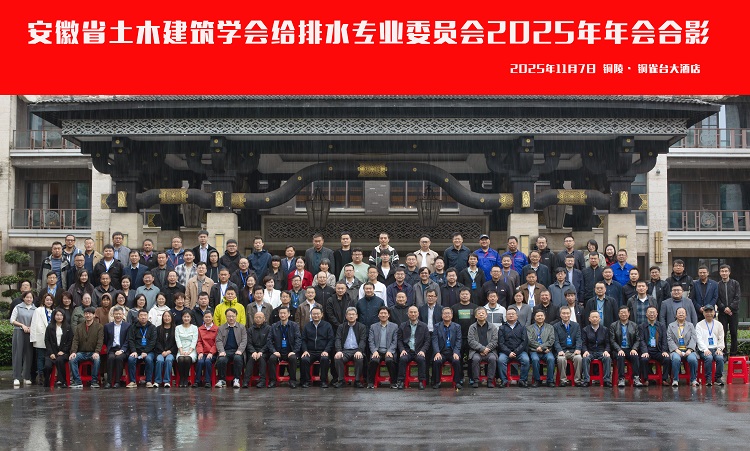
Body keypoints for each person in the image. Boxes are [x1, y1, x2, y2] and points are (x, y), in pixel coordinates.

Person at [68, 306, 104, 388]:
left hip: (93, 352)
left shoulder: (99, 327)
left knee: (97, 360)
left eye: (90, 314)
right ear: (84, 315)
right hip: (82, 352)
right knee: (72, 359)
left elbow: (100, 341)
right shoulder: (79, 327)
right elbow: (75, 340)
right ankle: (77, 381)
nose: (88, 315)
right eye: (86, 313)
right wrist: (73, 352)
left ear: (94, 315)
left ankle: (94, 381)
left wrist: (97, 352)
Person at [299, 306, 334, 388]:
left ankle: (323, 381)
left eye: (318, 314)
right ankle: (307, 381)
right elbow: (303, 340)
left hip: (323, 351)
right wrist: (305, 350)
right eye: (314, 314)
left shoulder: (327, 325)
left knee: (324, 359)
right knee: (304, 359)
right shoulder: (307, 326)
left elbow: (331, 340)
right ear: (311, 315)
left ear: (322, 314)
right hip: (310, 351)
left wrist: (326, 351)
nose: (316, 316)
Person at [267, 306, 302, 388]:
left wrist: (294, 351)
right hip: (278, 351)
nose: (282, 315)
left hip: (290, 351)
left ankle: (293, 380)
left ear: (289, 314)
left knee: (293, 358)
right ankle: (273, 381)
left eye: (284, 313)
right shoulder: (274, 326)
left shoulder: (294, 326)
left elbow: (298, 339)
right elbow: (269, 340)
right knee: (272, 358)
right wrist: (274, 351)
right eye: (281, 313)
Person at [333, 307, 368, 388]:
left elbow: (363, 340)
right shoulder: (341, 327)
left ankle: (357, 380)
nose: (351, 316)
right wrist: (338, 350)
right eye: (349, 314)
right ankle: (341, 380)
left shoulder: (362, 327)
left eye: (353, 314)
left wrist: (360, 351)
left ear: (357, 316)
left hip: (356, 350)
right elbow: (338, 339)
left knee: (359, 358)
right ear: (346, 316)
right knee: (338, 358)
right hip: (344, 351)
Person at [610, 305, 644, 387]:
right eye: (621, 313)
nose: (623, 314)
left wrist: (634, 349)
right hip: (618, 349)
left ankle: (636, 378)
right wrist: (619, 349)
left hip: (630, 348)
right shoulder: (613, 325)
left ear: (629, 314)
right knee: (620, 356)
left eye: (625, 312)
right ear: (618, 314)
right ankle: (621, 378)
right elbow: (612, 340)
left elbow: (638, 339)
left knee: (635, 356)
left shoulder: (634, 325)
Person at [497, 306, 531, 388]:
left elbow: (524, 342)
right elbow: (500, 343)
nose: (511, 315)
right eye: (509, 314)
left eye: (513, 314)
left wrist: (515, 352)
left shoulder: (522, 327)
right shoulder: (502, 328)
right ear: (506, 316)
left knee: (526, 360)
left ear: (517, 316)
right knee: (501, 360)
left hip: (520, 352)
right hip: (506, 352)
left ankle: (522, 380)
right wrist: (509, 352)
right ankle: (504, 380)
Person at [638, 305, 672, 386]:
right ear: (646, 314)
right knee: (644, 359)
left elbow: (664, 339)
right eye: (650, 312)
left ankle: (664, 379)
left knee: (667, 359)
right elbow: (641, 340)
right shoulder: (642, 326)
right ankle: (646, 379)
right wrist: (645, 351)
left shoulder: (661, 326)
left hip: (658, 350)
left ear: (657, 314)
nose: (652, 314)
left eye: (653, 312)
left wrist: (664, 351)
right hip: (647, 349)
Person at [215, 308, 247, 388]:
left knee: (238, 358)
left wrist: (240, 350)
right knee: (221, 360)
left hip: (237, 351)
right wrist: (221, 351)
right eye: (229, 316)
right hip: (225, 351)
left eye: (233, 316)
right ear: (226, 317)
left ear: (236, 316)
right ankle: (222, 380)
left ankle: (236, 379)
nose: (231, 318)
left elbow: (244, 340)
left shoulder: (241, 327)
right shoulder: (221, 328)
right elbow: (218, 341)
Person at [431, 307, 463, 389]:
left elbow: (458, 340)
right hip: (441, 352)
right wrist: (437, 352)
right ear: (442, 315)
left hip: (452, 351)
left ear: (452, 315)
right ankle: (437, 382)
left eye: (448, 313)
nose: (447, 315)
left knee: (456, 361)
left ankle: (457, 382)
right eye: (445, 313)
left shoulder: (457, 326)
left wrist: (456, 352)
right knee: (437, 361)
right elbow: (434, 340)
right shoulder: (437, 326)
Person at [366, 306, 398, 388]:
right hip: (377, 351)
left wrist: (390, 351)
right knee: (374, 361)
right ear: (378, 315)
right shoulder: (373, 327)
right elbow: (371, 341)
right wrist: (374, 351)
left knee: (390, 361)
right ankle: (370, 383)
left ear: (388, 315)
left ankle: (393, 383)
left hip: (388, 351)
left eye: (385, 313)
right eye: (381, 313)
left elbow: (395, 341)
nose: (383, 315)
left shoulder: (394, 326)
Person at [667, 306, 699, 387]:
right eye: (679, 313)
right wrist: (676, 349)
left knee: (692, 359)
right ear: (676, 315)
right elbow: (669, 339)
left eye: (683, 313)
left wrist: (690, 349)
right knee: (676, 359)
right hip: (676, 350)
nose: (681, 314)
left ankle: (693, 379)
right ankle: (675, 380)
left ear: (686, 315)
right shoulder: (671, 326)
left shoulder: (690, 325)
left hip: (688, 349)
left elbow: (694, 338)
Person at [467, 306, 498, 388]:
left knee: (492, 358)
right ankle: (476, 380)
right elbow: (471, 341)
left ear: (486, 315)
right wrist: (482, 349)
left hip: (490, 351)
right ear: (475, 316)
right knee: (475, 359)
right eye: (479, 313)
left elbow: (495, 340)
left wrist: (487, 349)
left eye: (483, 313)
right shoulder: (472, 327)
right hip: (476, 351)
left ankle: (490, 380)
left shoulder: (492, 327)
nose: (481, 314)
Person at [10, 291, 37, 386]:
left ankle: (26, 377)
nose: (29, 299)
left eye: (31, 297)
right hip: (19, 332)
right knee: (17, 354)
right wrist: (22, 325)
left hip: (30, 333)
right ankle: (16, 377)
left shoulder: (35, 309)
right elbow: (12, 320)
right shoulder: (18, 307)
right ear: (23, 298)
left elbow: (37, 321)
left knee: (29, 355)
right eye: (27, 297)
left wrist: (31, 328)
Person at [581, 310, 612, 387]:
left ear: (599, 318)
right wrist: (585, 351)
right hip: (590, 351)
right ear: (589, 319)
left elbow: (608, 343)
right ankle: (586, 380)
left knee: (607, 358)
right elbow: (583, 343)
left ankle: (607, 380)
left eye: (596, 317)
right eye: (593, 317)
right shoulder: (585, 330)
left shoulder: (605, 329)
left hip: (601, 351)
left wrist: (606, 351)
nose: (594, 319)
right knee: (585, 358)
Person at [126, 309, 157, 388]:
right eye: (141, 315)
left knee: (149, 359)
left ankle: (148, 381)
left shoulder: (152, 327)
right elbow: (131, 340)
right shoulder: (133, 327)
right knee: (131, 359)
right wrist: (134, 351)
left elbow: (153, 342)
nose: (143, 317)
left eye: (145, 315)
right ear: (138, 317)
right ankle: (132, 381)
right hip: (136, 351)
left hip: (149, 351)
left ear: (148, 317)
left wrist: (146, 351)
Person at [695, 304, 725, 386]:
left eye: (711, 311)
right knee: (709, 358)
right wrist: (705, 349)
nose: (709, 314)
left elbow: (721, 338)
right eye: (706, 312)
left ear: (714, 312)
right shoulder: (699, 325)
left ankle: (718, 378)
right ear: (703, 313)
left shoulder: (719, 324)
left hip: (715, 348)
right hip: (704, 349)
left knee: (720, 358)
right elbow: (699, 339)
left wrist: (719, 349)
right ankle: (708, 378)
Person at [44, 308, 73, 387]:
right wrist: (51, 353)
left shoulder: (68, 327)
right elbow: (47, 341)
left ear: (64, 316)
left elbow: (70, 341)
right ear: (54, 316)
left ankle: (62, 381)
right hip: (52, 352)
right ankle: (46, 382)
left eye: (61, 315)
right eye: (57, 315)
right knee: (47, 366)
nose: (59, 317)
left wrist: (63, 351)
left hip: (64, 352)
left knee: (59, 360)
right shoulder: (50, 327)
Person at [554, 306, 583, 386]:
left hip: (573, 350)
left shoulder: (576, 325)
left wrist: (578, 349)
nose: (565, 315)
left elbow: (578, 339)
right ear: (560, 314)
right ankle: (563, 380)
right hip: (562, 350)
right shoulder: (556, 326)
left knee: (578, 358)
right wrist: (559, 350)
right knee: (561, 359)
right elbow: (556, 341)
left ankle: (577, 380)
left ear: (570, 314)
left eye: (567, 313)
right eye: (563, 313)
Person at [527, 310, 556, 387]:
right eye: (538, 316)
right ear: (534, 317)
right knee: (535, 359)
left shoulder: (550, 327)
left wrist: (542, 348)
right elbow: (530, 341)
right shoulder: (529, 328)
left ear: (544, 317)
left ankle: (550, 380)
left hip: (547, 351)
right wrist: (540, 347)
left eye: (541, 315)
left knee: (551, 359)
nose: (540, 317)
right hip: (534, 350)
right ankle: (537, 380)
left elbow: (551, 340)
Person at [30, 293, 55, 385]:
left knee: (49, 357)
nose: (49, 302)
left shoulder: (54, 311)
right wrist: (33, 338)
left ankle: (49, 375)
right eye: (47, 300)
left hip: (51, 338)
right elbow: (33, 324)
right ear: (44, 301)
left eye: (51, 300)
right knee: (40, 357)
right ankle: (41, 375)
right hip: (40, 336)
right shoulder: (38, 310)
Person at [103, 305, 130, 388]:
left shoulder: (127, 326)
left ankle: (117, 381)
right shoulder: (107, 326)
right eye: (116, 314)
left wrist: (122, 350)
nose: (118, 316)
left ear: (123, 315)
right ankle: (109, 382)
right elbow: (106, 339)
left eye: (120, 314)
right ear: (113, 315)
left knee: (119, 358)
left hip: (123, 349)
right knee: (110, 358)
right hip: (112, 349)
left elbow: (128, 340)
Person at [717, 264, 741, 356]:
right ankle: (724, 353)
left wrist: (730, 308)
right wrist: (724, 308)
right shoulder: (717, 285)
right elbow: (717, 298)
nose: (724, 273)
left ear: (729, 272)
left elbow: (737, 297)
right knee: (722, 333)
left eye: (726, 271)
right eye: (722, 271)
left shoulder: (735, 283)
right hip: (722, 313)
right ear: (720, 273)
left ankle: (733, 354)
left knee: (734, 333)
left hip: (733, 312)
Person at [243, 311, 270, 388]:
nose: (258, 319)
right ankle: (246, 381)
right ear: (254, 319)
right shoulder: (250, 330)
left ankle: (262, 381)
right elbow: (248, 343)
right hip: (253, 350)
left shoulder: (269, 329)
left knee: (261, 358)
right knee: (251, 358)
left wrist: (261, 351)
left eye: (260, 317)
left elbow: (269, 342)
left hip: (264, 351)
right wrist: (253, 351)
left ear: (264, 319)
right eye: (256, 317)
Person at [174, 310, 199, 387]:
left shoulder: (194, 328)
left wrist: (189, 351)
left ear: (191, 318)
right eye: (184, 316)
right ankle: (182, 378)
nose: (186, 318)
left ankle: (186, 379)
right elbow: (177, 340)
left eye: (188, 317)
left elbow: (194, 340)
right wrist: (181, 351)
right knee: (181, 359)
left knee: (187, 358)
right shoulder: (178, 328)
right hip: (181, 349)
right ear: (182, 317)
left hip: (191, 350)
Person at [153, 310, 177, 388]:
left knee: (168, 360)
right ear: (162, 318)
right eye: (165, 316)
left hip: (171, 352)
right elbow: (156, 342)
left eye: (168, 316)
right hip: (160, 352)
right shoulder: (158, 329)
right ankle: (157, 381)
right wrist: (162, 351)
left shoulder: (176, 329)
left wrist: (169, 351)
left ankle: (167, 381)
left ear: (171, 318)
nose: (167, 318)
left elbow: (177, 343)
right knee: (159, 360)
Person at [195, 311, 218, 388]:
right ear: (203, 318)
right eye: (206, 317)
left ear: (212, 318)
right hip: (203, 352)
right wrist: (200, 352)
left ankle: (208, 381)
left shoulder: (216, 329)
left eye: (209, 317)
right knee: (200, 362)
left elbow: (216, 343)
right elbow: (199, 342)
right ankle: (197, 381)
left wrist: (211, 352)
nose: (207, 319)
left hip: (212, 353)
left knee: (208, 361)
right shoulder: (200, 329)